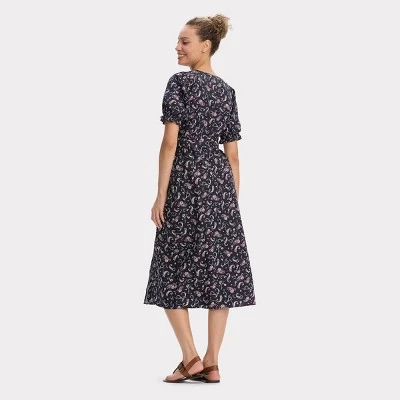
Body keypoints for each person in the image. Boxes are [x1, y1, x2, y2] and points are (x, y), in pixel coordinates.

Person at [143, 14, 256, 383]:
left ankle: (190, 357)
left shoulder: (179, 83)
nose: (177, 47)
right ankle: (212, 361)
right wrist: (229, 204)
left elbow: (169, 143)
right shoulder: (227, 91)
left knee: (170, 266)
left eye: (184, 41)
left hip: (185, 180)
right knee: (219, 270)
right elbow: (233, 155)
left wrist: (161, 194)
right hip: (219, 185)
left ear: (205, 46)